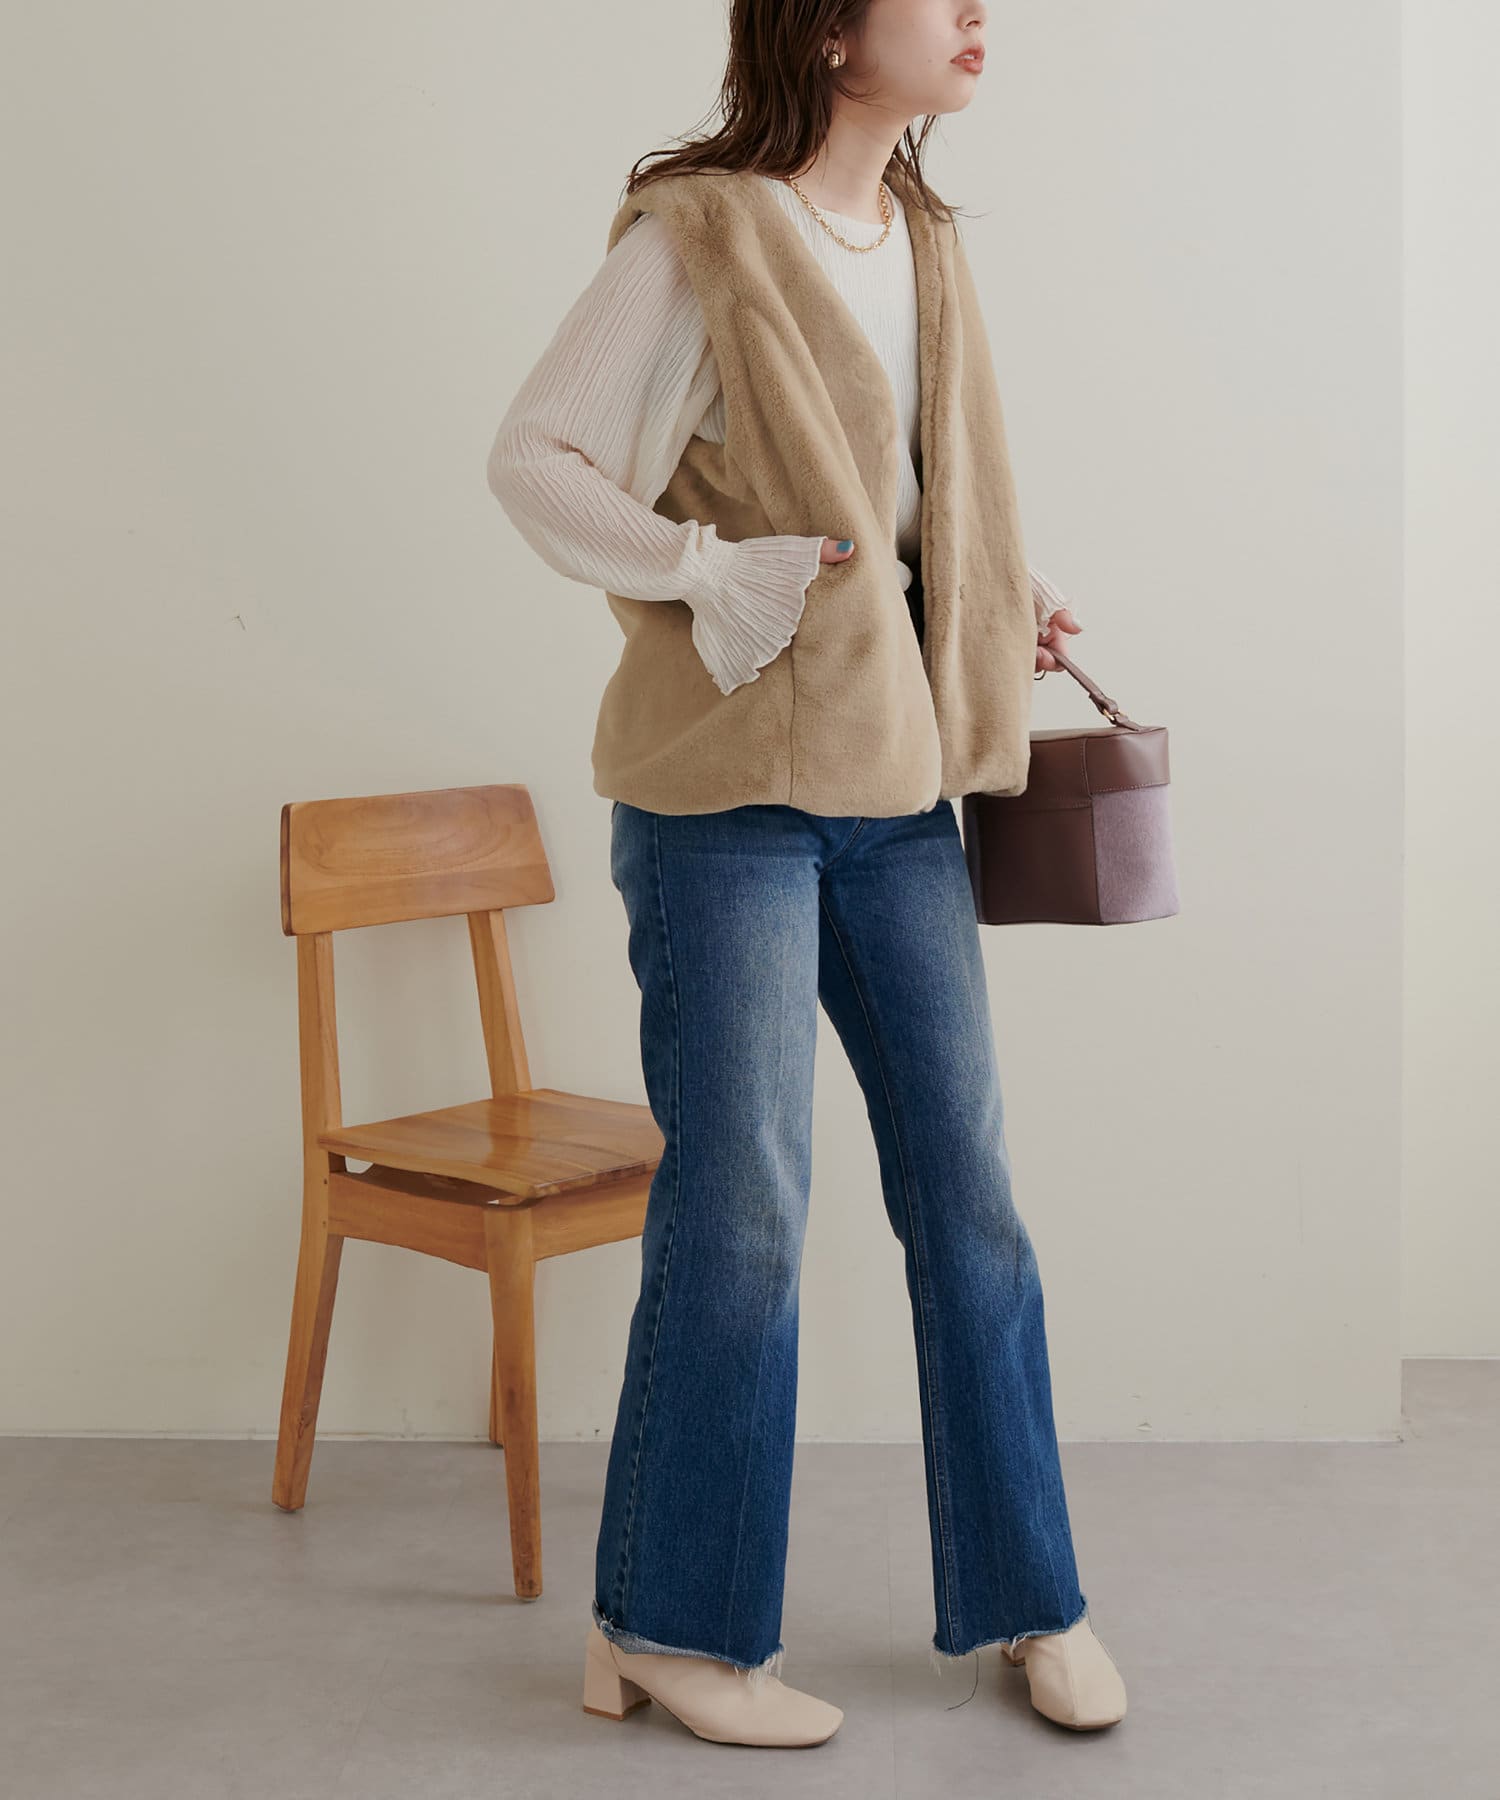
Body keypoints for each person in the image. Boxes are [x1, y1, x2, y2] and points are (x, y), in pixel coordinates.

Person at [486, 0, 1127, 1746]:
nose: (977, 11)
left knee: (968, 1195)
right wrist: (706, 571)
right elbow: (532, 458)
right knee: (747, 1207)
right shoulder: (700, 233)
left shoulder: (919, 235)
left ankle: (1031, 1598)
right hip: (727, 805)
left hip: (896, 785)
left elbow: (900, 496)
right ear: (832, 34)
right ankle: (669, 1629)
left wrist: (998, 593)